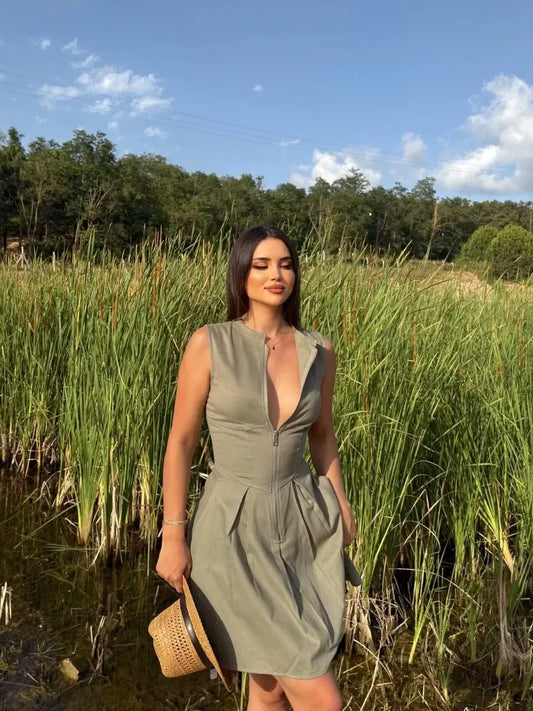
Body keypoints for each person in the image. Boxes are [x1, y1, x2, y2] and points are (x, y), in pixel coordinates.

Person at [156, 225, 358, 711]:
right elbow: (181, 442)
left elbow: (322, 436)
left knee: (268, 691)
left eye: (285, 264)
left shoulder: (319, 351)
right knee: (321, 697)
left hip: (301, 523)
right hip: (233, 530)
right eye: (262, 264)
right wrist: (173, 533)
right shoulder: (210, 343)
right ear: (241, 274)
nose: (276, 274)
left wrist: (341, 503)